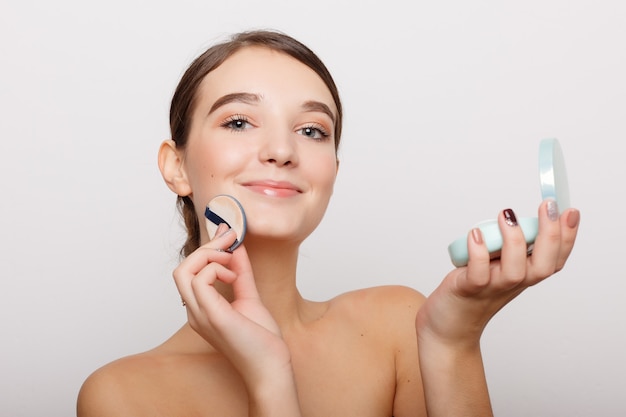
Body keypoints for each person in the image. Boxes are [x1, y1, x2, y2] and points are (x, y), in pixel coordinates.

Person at [76, 29, 580, 417]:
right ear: (176, 166)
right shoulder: (121, 395)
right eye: (238, 121)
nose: (281, 150)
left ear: (332, 172)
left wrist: (452, 343)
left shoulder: (398, 325)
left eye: (312, 130)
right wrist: (270, 379)